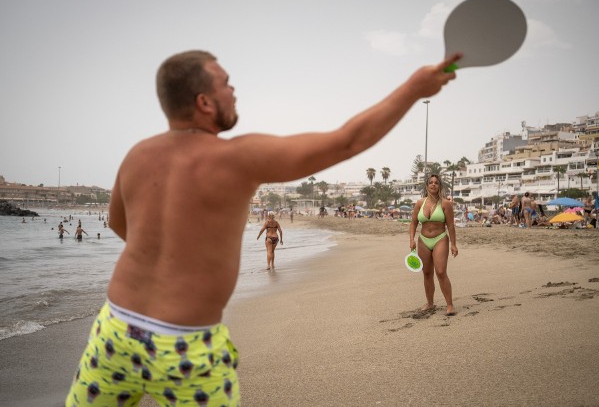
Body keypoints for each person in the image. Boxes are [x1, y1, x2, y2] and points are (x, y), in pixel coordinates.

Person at [65, 50, 460, 406]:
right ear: (203, 102)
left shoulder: (137, 154)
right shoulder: (237, 158)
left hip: (116, 328)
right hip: (184, 345)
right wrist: (413, 88)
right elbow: (346, 141)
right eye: (226, 84)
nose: (234, 91)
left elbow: (120, 225)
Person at [409, 174, 459, 316]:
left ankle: (449, 305)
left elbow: (450, 226)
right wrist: (411, 239)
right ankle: (430, 303)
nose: (433, 185)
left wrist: (454, 244)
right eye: (430, 182)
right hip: (423, 240)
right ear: (427, 186)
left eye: (436, 183)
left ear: (439, 186)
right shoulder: (420, 203)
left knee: (441, 272)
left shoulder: (445, 204)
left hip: (440, 239)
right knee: (427, 273)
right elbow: (413, 222)